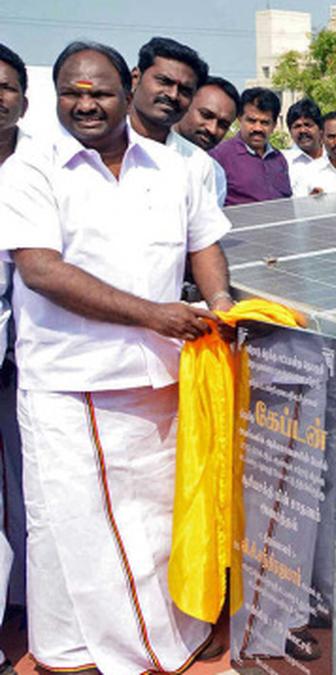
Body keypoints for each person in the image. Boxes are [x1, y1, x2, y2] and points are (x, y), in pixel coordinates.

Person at [0, 41, 234, 674]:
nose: (86, 104)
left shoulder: (174, 168)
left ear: (123, 91)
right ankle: (79, 649)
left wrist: (219, 304)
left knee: (154, 520)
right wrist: (154, 314)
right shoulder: (29, 171)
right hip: (69, 383)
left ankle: (162, 632)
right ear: (55, 98)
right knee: (71, 523)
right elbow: (43, 271)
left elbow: (205, 243)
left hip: (157, 379)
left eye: (99, 92)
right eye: (73, 93)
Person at [0, 42, 28, 675]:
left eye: (5, 86)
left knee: (28, 498)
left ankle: (23, 606)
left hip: (23, 366)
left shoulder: (44, 168)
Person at [128, 37, 226, 207]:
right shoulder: (97, 148)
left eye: (185, 90)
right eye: (164, 81)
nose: (173, 95)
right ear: (135, 78)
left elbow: (201, 232)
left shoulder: (197, 164)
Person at [210, 87, 290, 205]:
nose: (257, 128)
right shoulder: (219, 157)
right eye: (252, 121)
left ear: (274, 125)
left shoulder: (278, 159)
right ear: (239, 119)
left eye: (265, 122)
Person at [174, 76, 240, 205]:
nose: (212, 129)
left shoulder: (216, 174)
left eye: (223, 125)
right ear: (186, 104)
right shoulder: (142, 148)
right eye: (206, 115)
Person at [282, 98, 324, 185]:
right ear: (290, 131)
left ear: (320, 129)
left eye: (308, 125)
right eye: (297, 126)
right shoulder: (282, 163)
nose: (303, 130)